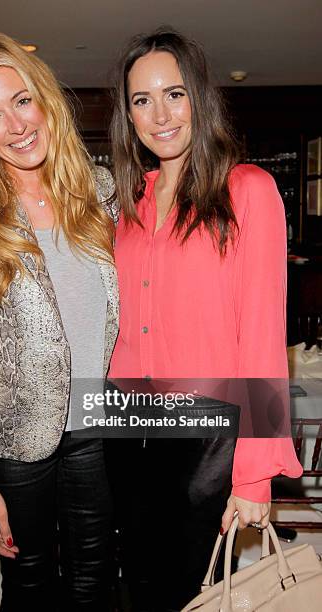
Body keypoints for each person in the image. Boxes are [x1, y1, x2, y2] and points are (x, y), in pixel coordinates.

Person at [106, 27, 303, 611]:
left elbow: (263, 338)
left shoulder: (248, 191)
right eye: (142, 100)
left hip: (204, 435)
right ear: (128, 115)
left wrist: (254, 475)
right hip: (124, 423)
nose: (159, 114)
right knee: (138, 585)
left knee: (186, 592)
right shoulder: (128, 203)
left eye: (174, 93)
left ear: (199, 97)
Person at [0, 32, 118, 612]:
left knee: (96, 580)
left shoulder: (100, 191)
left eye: (20, 101)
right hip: (20, 443)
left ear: (43, 98)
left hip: (96, 425)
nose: (15, 125)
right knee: (32, 585)